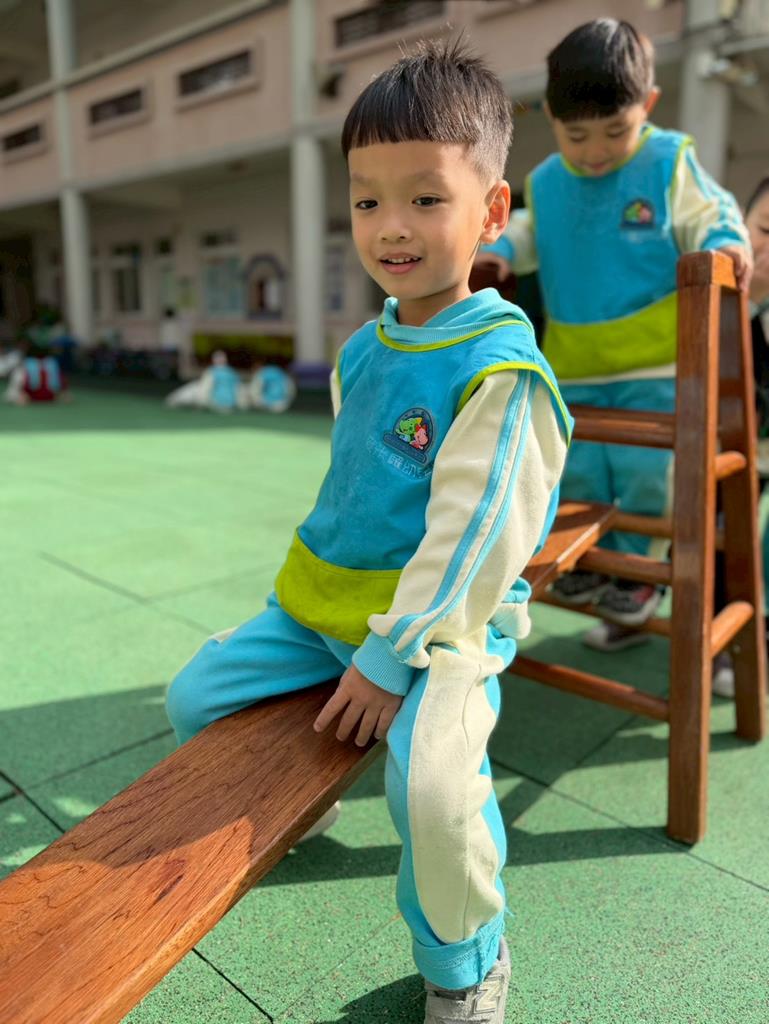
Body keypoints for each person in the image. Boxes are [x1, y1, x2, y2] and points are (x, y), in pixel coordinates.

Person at [165, 40, 572, 1023]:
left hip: (439, 632)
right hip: (320, 612)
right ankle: (309, 803)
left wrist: (393, 655)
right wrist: (317, 614)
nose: (391, 226)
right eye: (366, 200)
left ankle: (467, 960)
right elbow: (355, 494)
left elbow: (476, 541)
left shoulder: (499, 370)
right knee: (193, 699)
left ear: (492, 210)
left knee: (431, 792)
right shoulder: (362, 348)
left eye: (426, 198)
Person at [477, 19, 751, 652]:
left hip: (659, 365)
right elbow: (526, 232)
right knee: (574, 473)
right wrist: (498, 251)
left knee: (648, 476)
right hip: (573, 365)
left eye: (615, 131)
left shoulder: (666, 161)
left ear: (647, 105)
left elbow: (711, 214)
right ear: (552, 118)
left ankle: (636, 576)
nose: (595, 151)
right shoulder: (548, 181)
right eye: (576, 135)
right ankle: (594, 563)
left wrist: (727, 243)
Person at [713, 177, 769, 696]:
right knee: (717, 539)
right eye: (765, 230)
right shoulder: (718, 293)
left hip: (762, 448)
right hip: (722, 447)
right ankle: (717, 645)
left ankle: (753, 641)